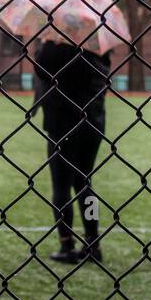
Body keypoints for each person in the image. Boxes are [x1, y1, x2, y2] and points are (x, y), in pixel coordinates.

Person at [33, 38, 111, 264]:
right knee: (84, 183)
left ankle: (67, 244)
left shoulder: (55, 46)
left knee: (61, 186)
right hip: (93, 121)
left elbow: (41, 69)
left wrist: (46, 44)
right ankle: (92, 242)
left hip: (62, 121)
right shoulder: (97, 47)